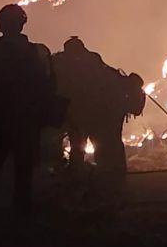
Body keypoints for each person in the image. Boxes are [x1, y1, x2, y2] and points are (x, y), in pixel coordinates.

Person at [0, 3, 53, 214]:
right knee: (23, 172)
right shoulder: (35, 52)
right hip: (26, 120)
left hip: (0, 118)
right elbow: (44, 85)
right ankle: (21, 217)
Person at [52, 36, 146, 184]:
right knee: (104, 148)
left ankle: (89, 181)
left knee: (84, 149)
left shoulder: (72, 66)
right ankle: (110, 180)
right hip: (98, 115)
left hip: (90, 115)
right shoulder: (95, 63)